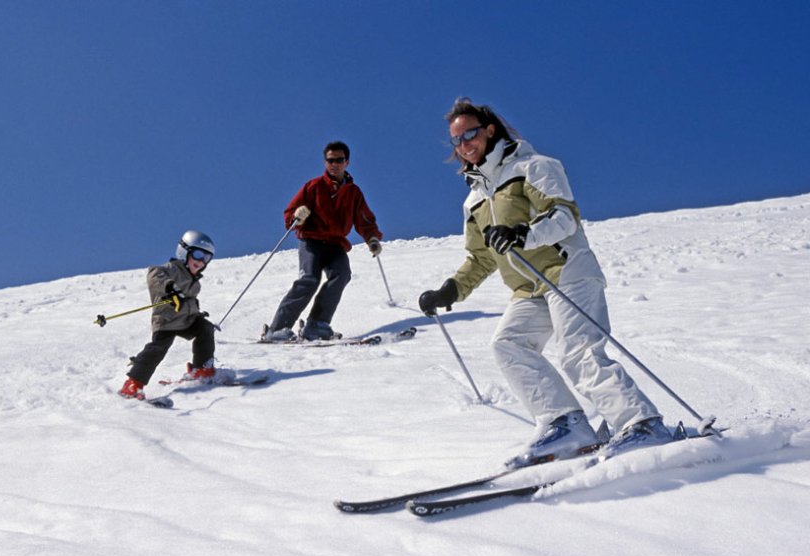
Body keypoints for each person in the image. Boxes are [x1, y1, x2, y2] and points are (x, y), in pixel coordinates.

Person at [418, 98, 673, 468]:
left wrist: (523, 233)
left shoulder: (534, 167)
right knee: (508, 344)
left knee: (578, 352)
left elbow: (564, 217)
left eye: (470, 134)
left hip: (566, 271)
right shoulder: (474, 199)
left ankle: (643, 425)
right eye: (456, 141)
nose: (464, 145)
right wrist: (451, 290)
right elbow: (482, 257)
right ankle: (565, 423)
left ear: (490, 131)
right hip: (529, 288)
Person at [261, 141, 383, 342]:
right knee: (309, 279)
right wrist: (297, 217)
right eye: (330, 160)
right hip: (312, 241)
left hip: (336, 244)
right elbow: (290, 215)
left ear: (347, 162)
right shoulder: (314, 186)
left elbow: (364, 219)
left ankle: (317, 324)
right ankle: (277, 328)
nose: (335, 164)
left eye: (339, 160)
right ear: (325, 162)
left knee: (342, 274)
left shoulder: (353, 193)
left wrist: (372, 239)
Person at [119, 230, 223, 400]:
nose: (201, 261)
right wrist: (170, 288)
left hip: (186, 321)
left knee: (205, 328)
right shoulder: (173, 270)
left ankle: (201, 369)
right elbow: (154, 274)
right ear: (184, 251)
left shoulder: (195, 282)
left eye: (206, 258)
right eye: (197, 254)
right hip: (166, 321)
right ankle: (133, 383)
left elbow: (188, 301)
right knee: (158, 348)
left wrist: (195, 312)